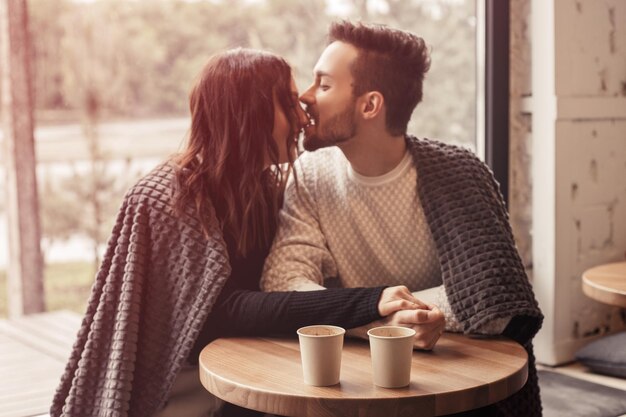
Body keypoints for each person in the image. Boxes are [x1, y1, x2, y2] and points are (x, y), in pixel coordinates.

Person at [50, 48, 424, 417]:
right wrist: (369, 303)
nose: (302, 118)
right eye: (289, 104)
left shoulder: (265, 191)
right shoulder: (168, 197)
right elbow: (220, 311)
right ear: (249, 114)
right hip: (174, 387)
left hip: (253, 371)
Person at [261, 21, 544, 417]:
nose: (306, 98)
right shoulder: (310, 175)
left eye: (323, 85)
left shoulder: (459, 173)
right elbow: (283, 282)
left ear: (370, 105)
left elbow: (496, 299)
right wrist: (381, 320)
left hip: (453, 377)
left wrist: (395, 315)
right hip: (361, 378)